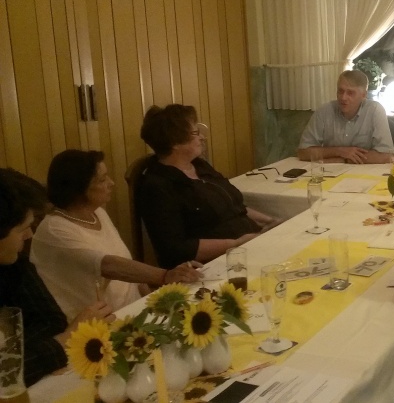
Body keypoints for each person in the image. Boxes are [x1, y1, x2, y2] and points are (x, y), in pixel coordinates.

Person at [30, 150, 202, 320]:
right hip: (98, 325)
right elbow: (108, 266)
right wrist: (165, 276)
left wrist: (153, 302)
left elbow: (127, 266)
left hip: (134, 313)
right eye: (102, 180)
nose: (111, 183)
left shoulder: (97, 213)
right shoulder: (55, 229)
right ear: (79, 189)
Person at [0, 168, 113, 387]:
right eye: (22, 229)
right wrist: (61, 342)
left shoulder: (14, 263)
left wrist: (29, 354)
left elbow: (51, 321)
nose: (30, 235)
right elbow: (4, 374)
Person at [136, 104, 279, 269]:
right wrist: (236, 244)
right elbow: (174, 249)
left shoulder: (200, 166)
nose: (202, 137)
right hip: (215, 264)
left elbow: (234, 206)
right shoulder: (157, 186)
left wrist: (271, 222)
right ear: (175, 143)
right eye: (195, 133)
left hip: (249, 244)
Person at [297, 69, 394, 164]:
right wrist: (339, 151)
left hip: (364, 172)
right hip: (331, 172)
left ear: (363, 95)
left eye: (350, 93)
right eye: (340, 91)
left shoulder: (375, 110)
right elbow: (303, 152)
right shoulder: (324, 111)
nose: (343, 97)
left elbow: (386, 155)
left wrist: (343, 160)